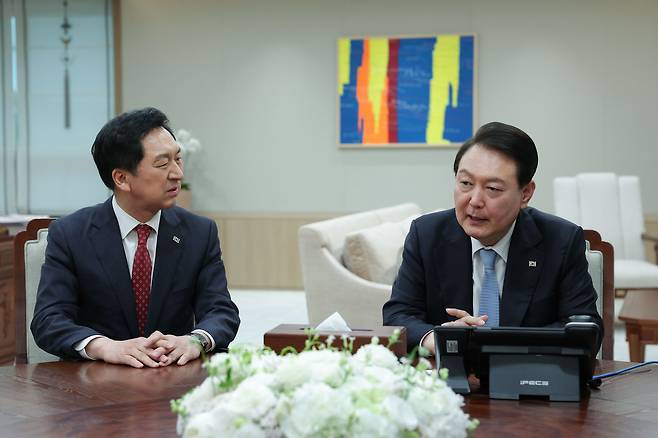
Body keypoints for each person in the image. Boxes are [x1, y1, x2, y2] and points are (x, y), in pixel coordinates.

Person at [31, 107, 240, 368]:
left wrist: (195, 340)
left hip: (173, 381)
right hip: (96, 385)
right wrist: (104, 346)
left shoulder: (199, 233)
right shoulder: (71, 234)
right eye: (163, 164)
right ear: (121, 178)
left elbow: (221, 311)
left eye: (178, 159)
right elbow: (48, 320)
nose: (177, 173)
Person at [383, 122, 601, 353]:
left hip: (528, 379)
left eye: (493, 189)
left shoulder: (561, 241)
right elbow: (398, 315)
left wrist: (494, 346)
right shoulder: (426, 234)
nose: (475, 200)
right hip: (449, 380)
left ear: (525, 193)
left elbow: (585, 327)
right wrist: (441, 339)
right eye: (465, 183)